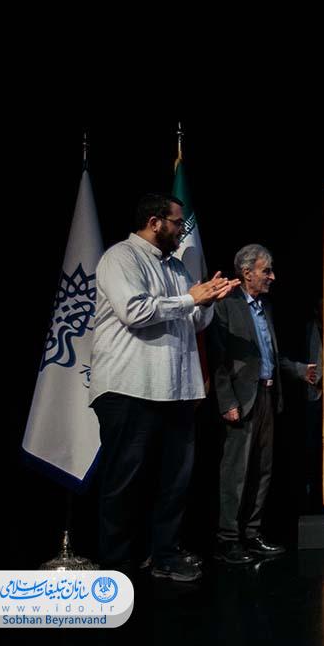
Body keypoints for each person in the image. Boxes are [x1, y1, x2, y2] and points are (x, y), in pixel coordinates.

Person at [90, 193, 239, 582]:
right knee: (125, 482)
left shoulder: (176, 267)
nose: (180, 231)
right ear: (154, 222)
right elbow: (134, 311)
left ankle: (165, 555)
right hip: (131, 387)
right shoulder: (121, 257)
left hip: (177, 390)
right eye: (176, 223)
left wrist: (207, 301)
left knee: (174, 481)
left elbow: (194, 322)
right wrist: (190, 298)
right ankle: (118, 565)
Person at [208, 244, 316, 564]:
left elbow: (271, 357)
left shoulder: (265, 307)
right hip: (242, 401)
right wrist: (227, 401)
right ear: (246, 273)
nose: (272, 276)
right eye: (266, 271)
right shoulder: (226, 305)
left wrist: (300, 370)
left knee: (262, 470)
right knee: (236, 472)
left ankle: (252, 534)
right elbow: (218, 359)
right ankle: (228, 539)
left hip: (267, 397)